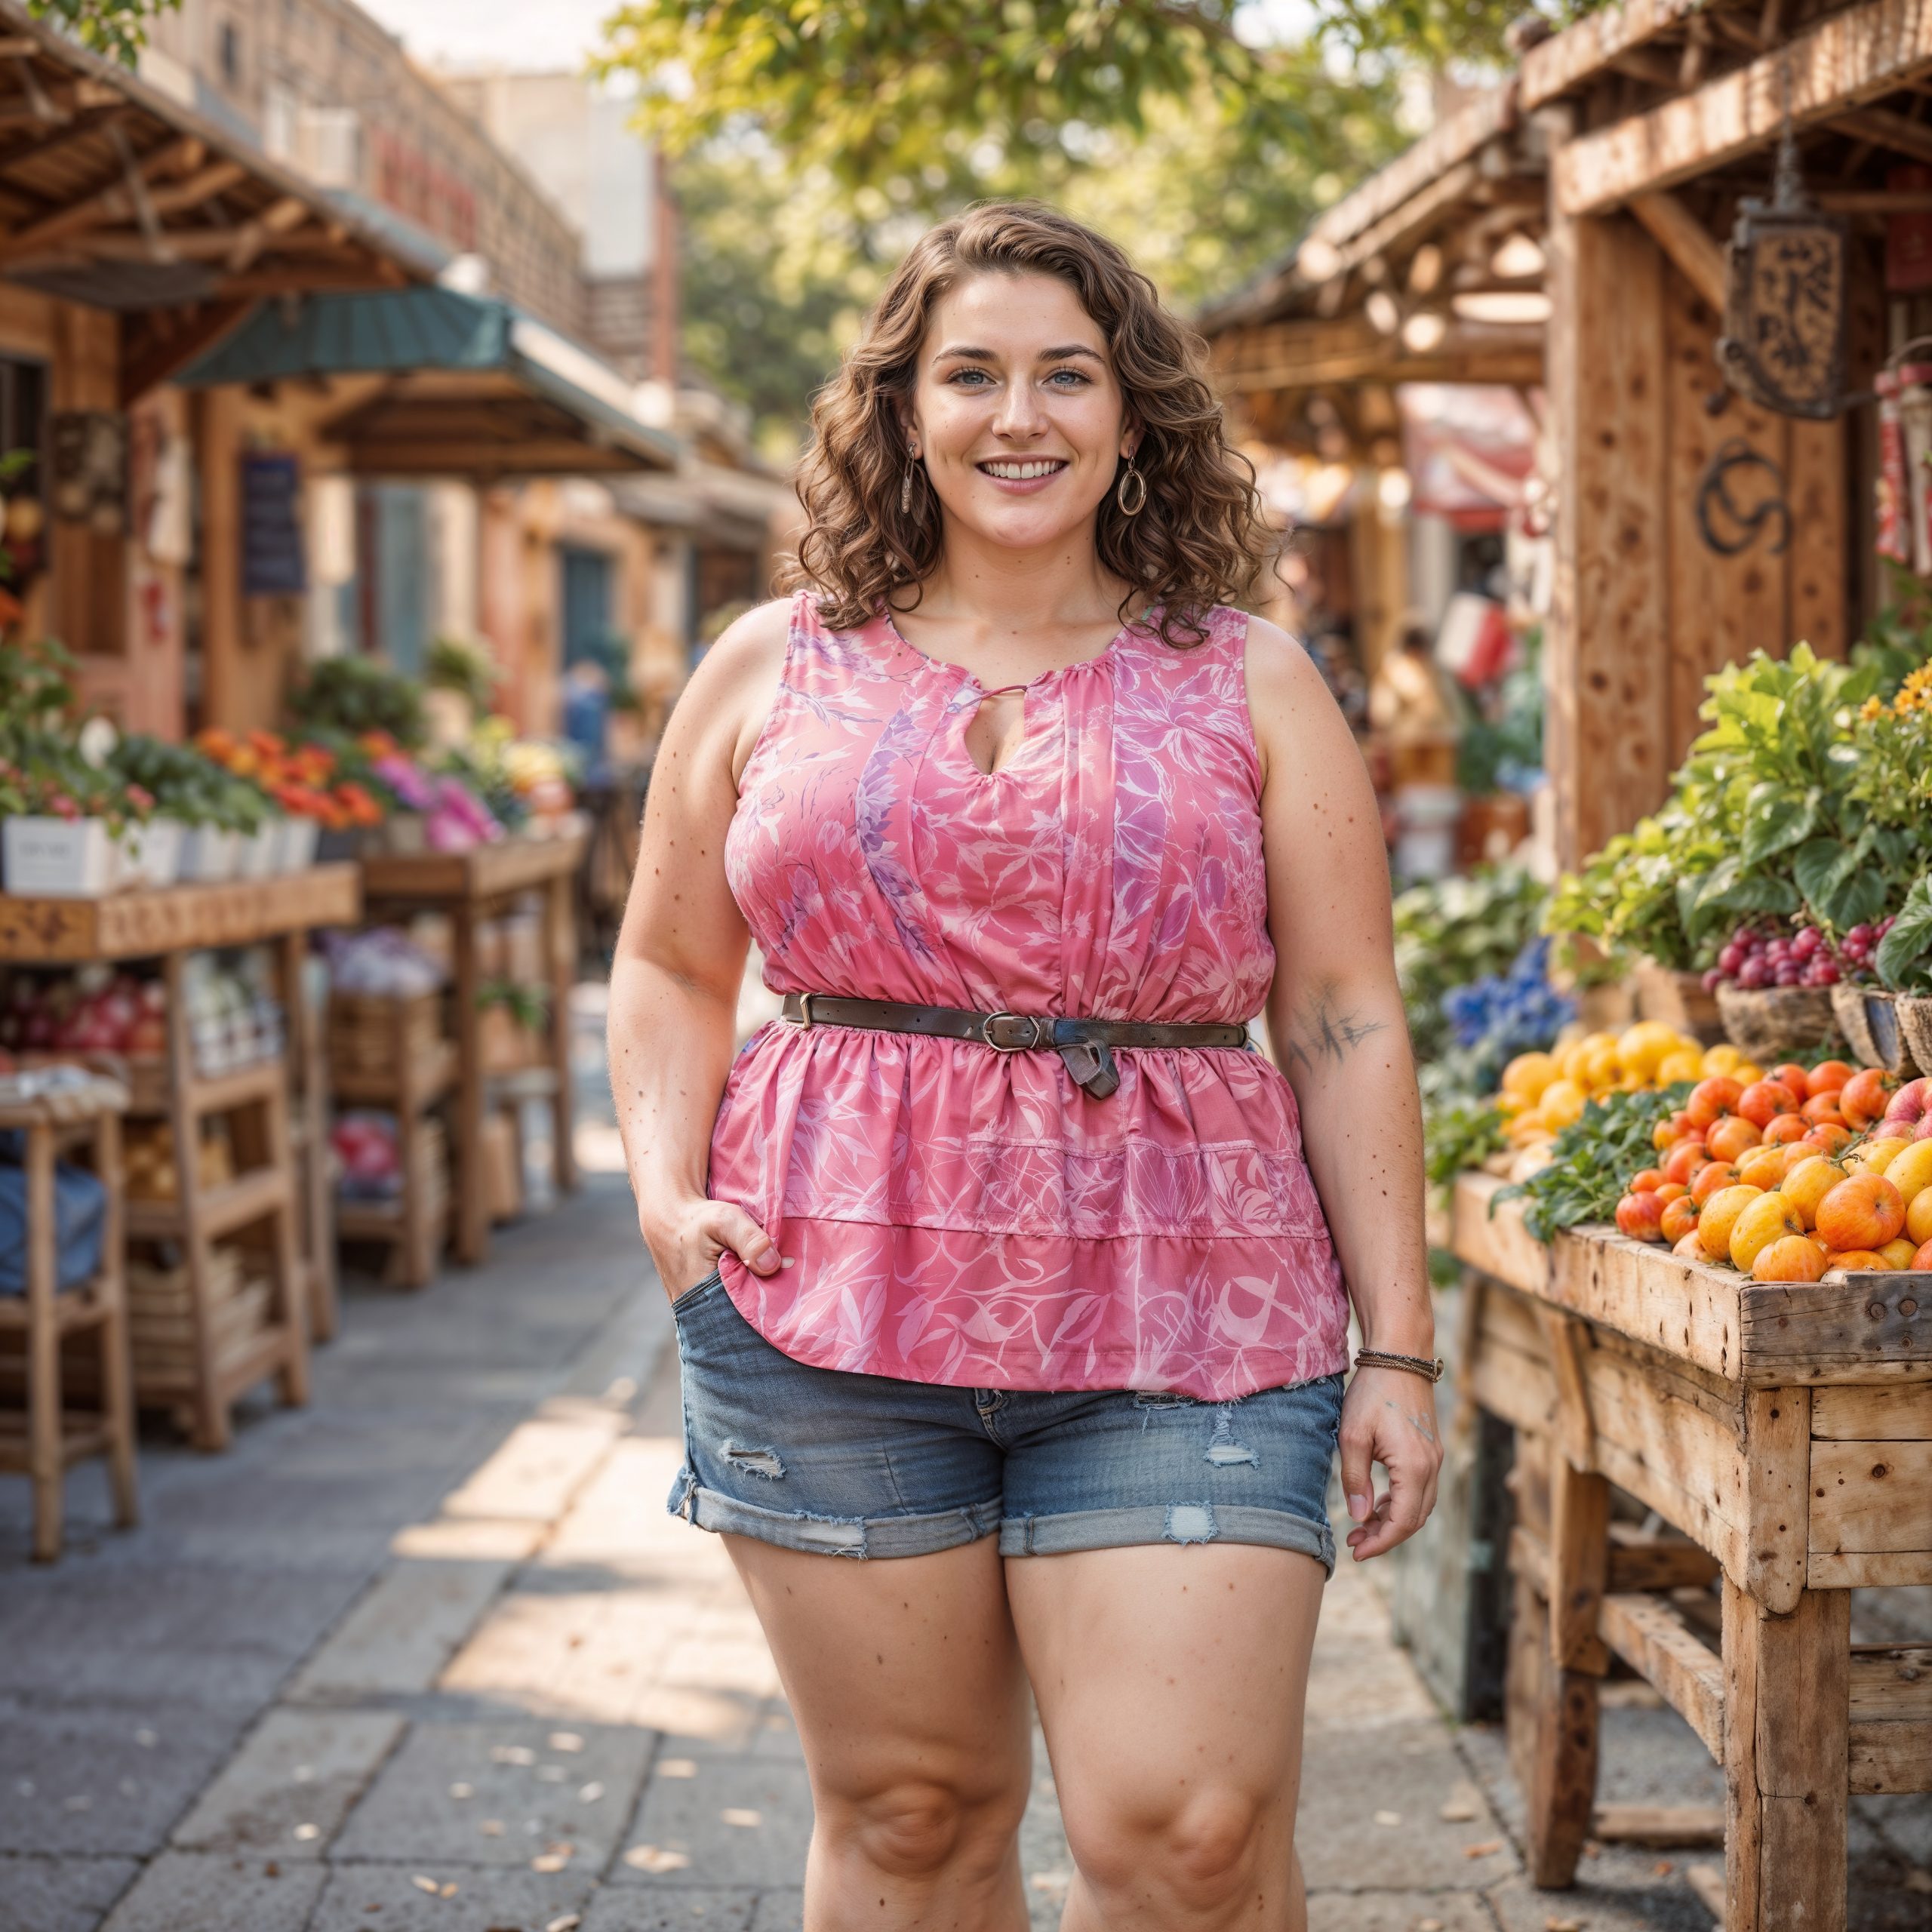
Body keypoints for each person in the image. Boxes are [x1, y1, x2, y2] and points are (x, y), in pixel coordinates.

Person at [608, 202, 1441, 1932]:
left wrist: (1402, 1346)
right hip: (821, 1300)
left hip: (1192, 1307)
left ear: (1132, 413)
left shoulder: (1251, 678)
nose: (1019, 415)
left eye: (1067, 374)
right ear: (901, 409)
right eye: (969, 373)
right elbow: (671, 965)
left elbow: (1343, 1011)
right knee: (911, 1813)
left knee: (1191, 1833)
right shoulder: (770, 663)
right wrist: (664, 1195)